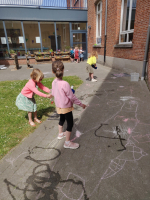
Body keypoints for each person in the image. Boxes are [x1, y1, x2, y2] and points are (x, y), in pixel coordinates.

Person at [51, 60, 86, 149]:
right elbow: (72, 97)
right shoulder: (65, 83)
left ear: (53, 72)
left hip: (59, 106)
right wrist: (81, 104)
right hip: (66, 107)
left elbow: (54, 93)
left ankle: (60, 134)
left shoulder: (54, 82)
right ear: (63, 70)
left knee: (62, 119)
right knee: (70, 123)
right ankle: (67, 143)